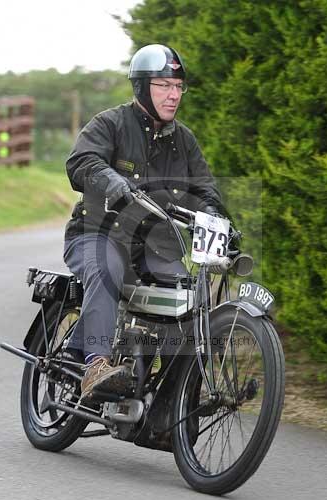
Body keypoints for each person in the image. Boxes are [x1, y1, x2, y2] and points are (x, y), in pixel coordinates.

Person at [63, 43, 223, 402]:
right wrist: (111, 181)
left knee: (184, 295)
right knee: (108, 267)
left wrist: (213, 215)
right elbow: (81, 163)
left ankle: (168, 403)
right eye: (164, 85)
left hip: (153, 245)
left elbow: (206, 190)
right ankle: (96, 366)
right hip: (97, 234)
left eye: (178, 86)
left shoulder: (184, 141)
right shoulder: (110, 124)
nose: (173, 94)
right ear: (141, 87)